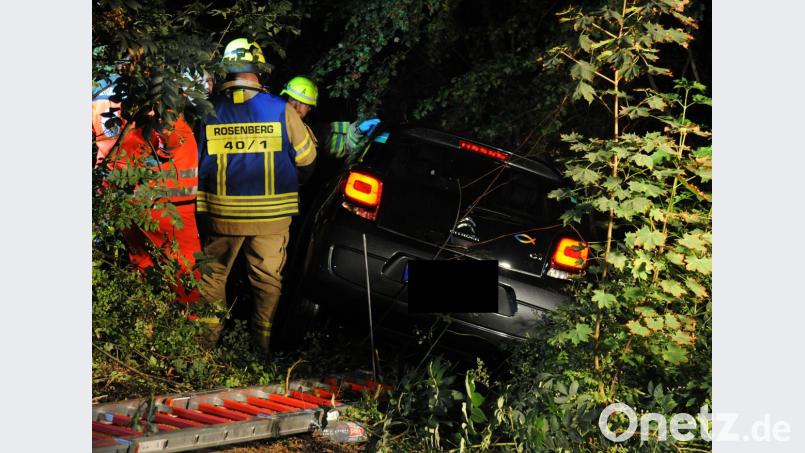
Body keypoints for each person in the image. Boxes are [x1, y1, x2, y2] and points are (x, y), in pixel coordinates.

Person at [195, 38, 317, 354]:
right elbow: (306, 161)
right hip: (272, 219)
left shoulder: (208, 111)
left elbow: (194, 162)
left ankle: (204, 348)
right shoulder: (281, 110)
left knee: (212, 278)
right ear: (260, 71)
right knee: (267, 283)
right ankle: (258, 349)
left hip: (221, 216)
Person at [92, 75, 201, 306]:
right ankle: (191, 324)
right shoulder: (155, 97)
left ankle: (146, 322)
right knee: (185, 270)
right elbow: (167, 144)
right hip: (167, 204)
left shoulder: (100, 92)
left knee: (142, 264)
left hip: (120, 197)